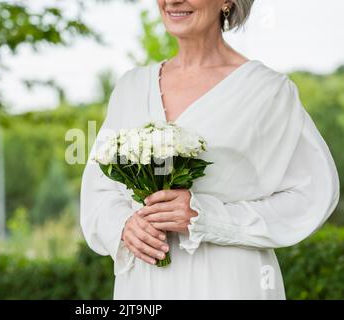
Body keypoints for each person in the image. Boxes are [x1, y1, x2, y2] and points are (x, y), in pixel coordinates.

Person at [80, 0, 340, 299]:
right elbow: (98, 189)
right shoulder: (131, 88)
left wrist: (206, 217)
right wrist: (124, 226)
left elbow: (311, 195)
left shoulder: (267, 92)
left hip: (229, 282)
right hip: (144, 284)